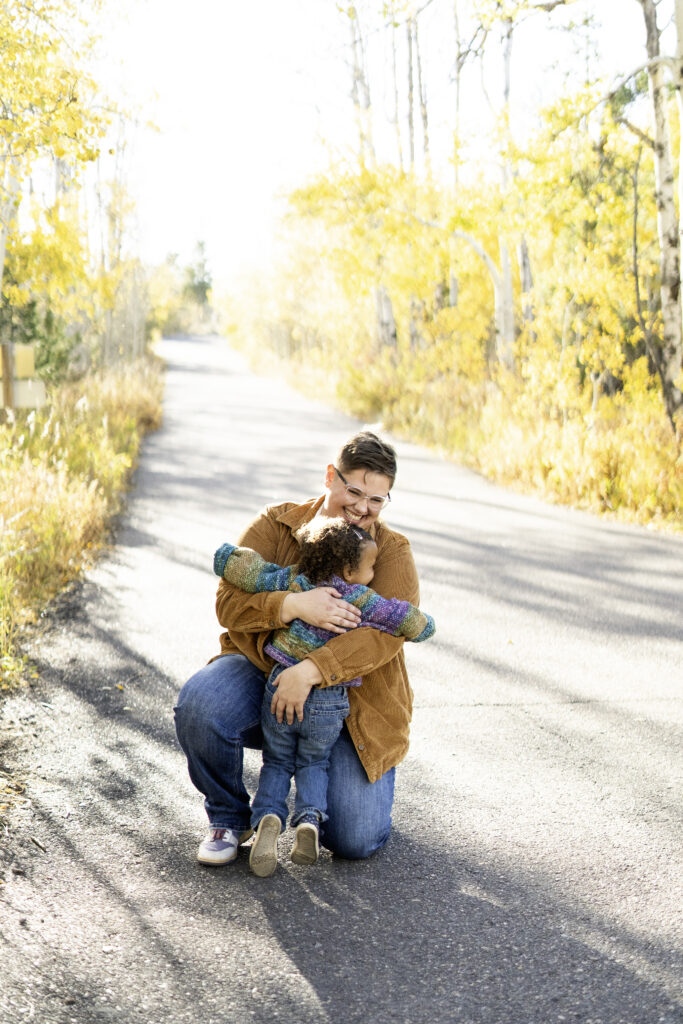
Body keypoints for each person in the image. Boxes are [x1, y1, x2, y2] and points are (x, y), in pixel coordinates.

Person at [174, 430, 427, 867]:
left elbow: (385, 636)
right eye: (354, 491)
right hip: (262, 668)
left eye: (376, 499)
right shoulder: (276, 524)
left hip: (352, 701)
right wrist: (293, 605)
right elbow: (228, 603)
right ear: (330, 476)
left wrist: (310, 671)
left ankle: (325, 785)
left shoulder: (390, 551)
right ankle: (230, 818)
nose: (362, 508)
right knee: (201, 705)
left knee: (354, 839)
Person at [212, 517, 435, 876]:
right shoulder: (361, 598)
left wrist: (226, 558)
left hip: (280, 688)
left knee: (277, 761)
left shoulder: (297, 580)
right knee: (314, 762)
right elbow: (400, 617)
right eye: (370, 567)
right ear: (349, 571)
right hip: (327, 700)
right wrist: (424, 625)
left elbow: (257, 575)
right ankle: (309, 820)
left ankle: (267, 816)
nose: (373, 573)